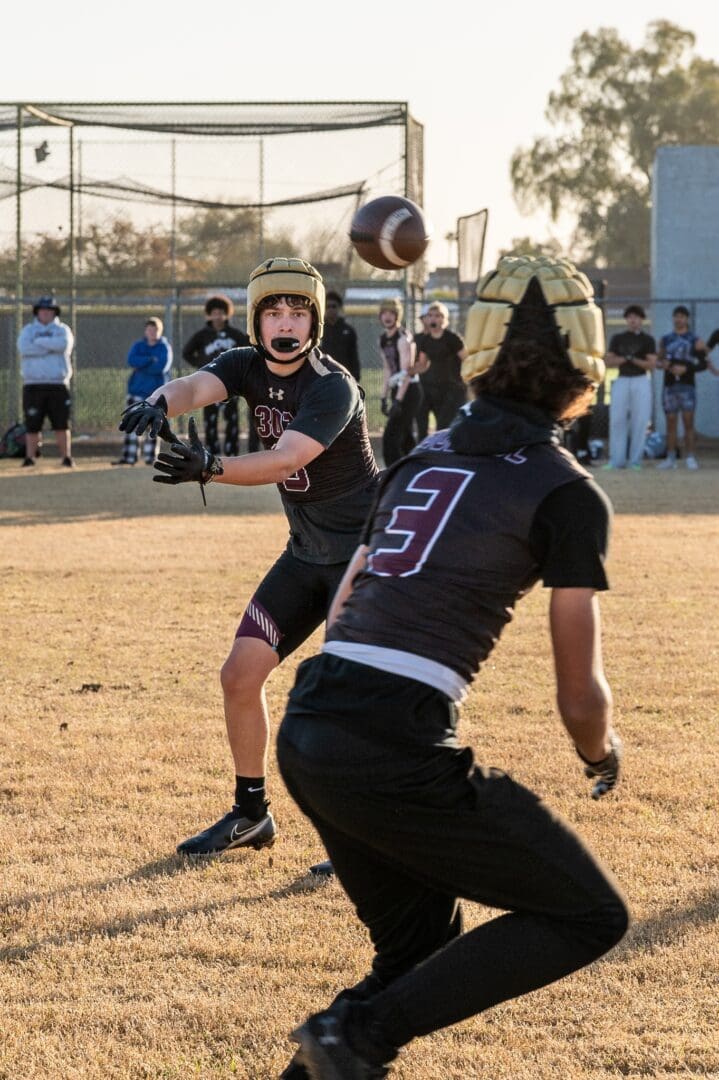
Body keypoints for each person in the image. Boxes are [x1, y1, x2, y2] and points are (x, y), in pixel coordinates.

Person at [276, 255, 628, 1080]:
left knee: (415, 957)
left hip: (312, 718)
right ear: (586, 362)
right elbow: (578, 696)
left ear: (471, 351)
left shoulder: (419, 456)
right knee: (588, 913)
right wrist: (598, 756)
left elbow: (346, 603)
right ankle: (354, 1039)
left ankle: (346, 1041)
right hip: (390, 738)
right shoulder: (566, 489)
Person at [119, 258, 379, 856]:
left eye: (297, 312)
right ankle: (251, 815)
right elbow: (193, 387)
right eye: (273, 313)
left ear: (314, 319)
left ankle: (373, 843)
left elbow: (287, 460)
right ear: (256, 322)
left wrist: (210, 466)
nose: (285, 325)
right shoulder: (245, 363)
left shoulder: (333, 385)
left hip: (363, 561)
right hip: (308, 554)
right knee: (240, 676)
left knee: (351, 703)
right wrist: (159, 401)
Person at [182, 294, 252, 455]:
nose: (218, 316)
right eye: (214, 312)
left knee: (231, 419)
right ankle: (212, 452)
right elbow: (187, 352)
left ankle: (232, 452)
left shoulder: (235, 334)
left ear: (227, 314)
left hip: (231, 383)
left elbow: (249, 350)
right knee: (210, 418)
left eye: (221, 312)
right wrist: (201, 365)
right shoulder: (202, 336)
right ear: (209, 314)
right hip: (208, 382)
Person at [18, 295, 74, 468]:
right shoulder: (28, 330)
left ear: (54, 312)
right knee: (32, 424)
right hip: (33, 385)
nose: (46, 313)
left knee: (61, 424)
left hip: (58, 385)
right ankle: (30, 458)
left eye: (49, 310)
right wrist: (50, 346)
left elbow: (63, 345)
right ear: (37, 312)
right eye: (43, 310)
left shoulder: (63, 329)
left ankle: (66, 457)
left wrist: (40, 342)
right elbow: (24, 348)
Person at [113, 317, 173, 466]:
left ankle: (150, 458)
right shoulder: (138, 345)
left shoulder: (164, 347)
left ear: (160, 331)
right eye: (150, 329)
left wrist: (143, 364)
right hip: (136, 392)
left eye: (155, 330)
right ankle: (129, 457)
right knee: (131, 424)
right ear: (146, 331)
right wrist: (150, 360)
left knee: (153, 427)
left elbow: (161, 367)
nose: (152, 332)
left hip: (156, 395)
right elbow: (132, 360)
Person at [604, 304, 657, 470]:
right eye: (630, 317)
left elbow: (651, 364)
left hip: (640, 380)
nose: (633, 320)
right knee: (617, 419)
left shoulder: (647, 340)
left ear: (641, 320)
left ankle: (635, 460)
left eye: (636, 317)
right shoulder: (618, 338)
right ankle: (616, 460)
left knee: (640, 420)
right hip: (622, 380)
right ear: (626, 320)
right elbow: (608, 361)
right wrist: (626, 359)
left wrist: (633, 360)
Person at [656, 305, 707, 470]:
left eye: (682, 316)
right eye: (676, 316)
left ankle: (690, 457)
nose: (679, 319)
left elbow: (703, 364)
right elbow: (658, 361)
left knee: (688, 422)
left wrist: (687, 369)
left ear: (687, 319)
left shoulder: (695, 340)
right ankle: (671, 457)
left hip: (687, 386)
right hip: (670, 386)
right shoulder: (665, 339)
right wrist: (665, 365)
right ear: (673, 318)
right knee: (671, 422)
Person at [414, 300, 467, 440]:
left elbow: (466, 360)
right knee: (422, 425)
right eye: (431, 315)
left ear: (444, 319)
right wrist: (406, 372)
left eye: (438, 316)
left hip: (451, 388)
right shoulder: (425, 340)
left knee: (443, 426)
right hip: (431, 388)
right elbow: (422, 364)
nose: (434, 319)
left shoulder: (453, 339)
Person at [378, 297, 422, 466]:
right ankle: (413, 470)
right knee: (406, 436)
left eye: (391, 313)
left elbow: (407, 373)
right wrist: (383, 397)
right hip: (398, 389)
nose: (387, 317)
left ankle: (393, 472)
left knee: (391, 437)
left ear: (397, 315)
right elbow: (388, 369)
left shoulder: (404, 338)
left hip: (410, 391)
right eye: (384, 313)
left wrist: (398, 400)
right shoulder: (382, 339)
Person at [320, 290, 360, 381]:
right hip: (322, 376)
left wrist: (355, 378)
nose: (330, 309)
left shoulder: (348, 331)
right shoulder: (319, 330)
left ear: (339, 308)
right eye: (327, 306)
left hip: (344, 377)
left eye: (333, 306)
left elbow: (353, 357)